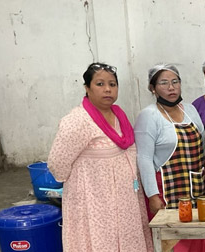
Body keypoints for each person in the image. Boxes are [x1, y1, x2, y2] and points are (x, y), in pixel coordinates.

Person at [48, 63, 152, 251]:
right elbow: (58, 163)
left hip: (126, 199)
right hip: (94, 203)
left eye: (112, 84)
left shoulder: (120, 115)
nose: (107, 89)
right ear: (87, 88)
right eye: (100, 84)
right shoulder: (77, 121)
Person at [134, 64, 205, 252]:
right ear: (153, 88)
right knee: (174, 242)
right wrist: (153, 195)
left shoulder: (190, 110)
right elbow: (144, 158)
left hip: (195, 189)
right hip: (167, 191)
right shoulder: (149, 115)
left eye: (175, 82)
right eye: (164, 83)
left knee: (198, 237)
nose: (171, 87)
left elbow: (202, 146)